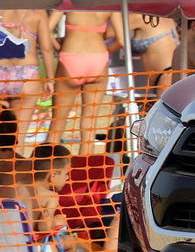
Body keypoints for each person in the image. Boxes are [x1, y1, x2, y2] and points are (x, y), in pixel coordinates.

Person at [46, 10, 121, 155]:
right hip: (98, 58)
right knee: (90, 123)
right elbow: (122, 40)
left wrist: (59, 48)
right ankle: (84, 171)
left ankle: (46, 168)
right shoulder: (109, 3)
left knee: (58, 122)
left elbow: (47, 29)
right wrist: (105, 52)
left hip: (71, 55)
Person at [0, 10, 50, 154]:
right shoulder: (37, 12)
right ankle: (17, 175)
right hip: (27, 73)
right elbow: (46, 49)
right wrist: (50, 79)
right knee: (19, 136)